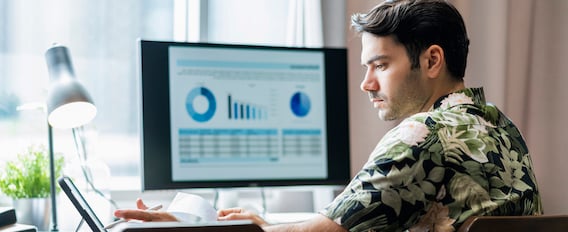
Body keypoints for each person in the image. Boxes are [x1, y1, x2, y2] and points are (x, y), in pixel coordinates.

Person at [114, 0, 543, 231]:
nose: (366, 84)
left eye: (380, 65)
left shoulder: (422, 134)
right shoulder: (501, 125)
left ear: (432, 60)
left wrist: (203, 227)